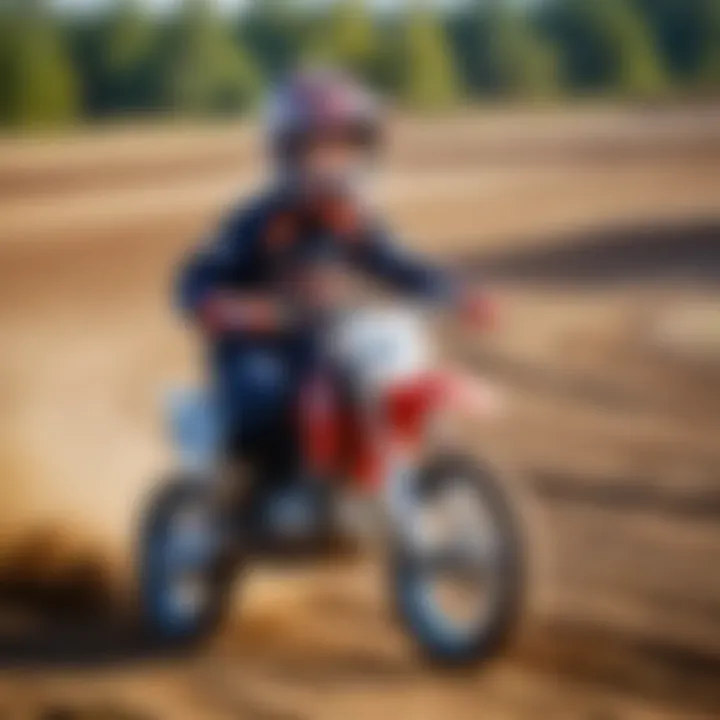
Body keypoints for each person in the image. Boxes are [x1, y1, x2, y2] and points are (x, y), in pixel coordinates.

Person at [176, 68, 493, 484]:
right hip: (262, 347)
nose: (332, 164)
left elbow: (401, 264)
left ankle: (361, 477)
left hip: (328, 343)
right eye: (318, 151)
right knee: (262, 394)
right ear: (288, 152)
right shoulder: (256, 220)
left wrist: (455, 293)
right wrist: (219, 307)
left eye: (344, 149)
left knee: (380, 377)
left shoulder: (353, 221)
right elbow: (199, 276)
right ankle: (244, 493)